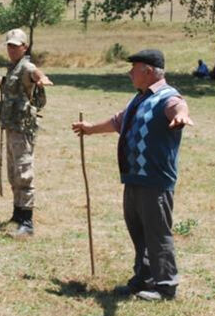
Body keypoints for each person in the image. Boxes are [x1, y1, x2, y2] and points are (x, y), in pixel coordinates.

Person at [73, 49, 193, 300]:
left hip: (155, 180)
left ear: (148, 71)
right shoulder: (139, 99)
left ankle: (166, 285)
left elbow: (178, 105)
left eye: (133, 68)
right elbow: (119, 121)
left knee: (157, 233)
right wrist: (90, 129)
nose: (129, 73)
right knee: (138, 230)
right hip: (134, 178)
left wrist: (182, 115)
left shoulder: (166, 96)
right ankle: (144, 278)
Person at [0, 29, 52, 235]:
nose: (11, 49)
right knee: (13, 172)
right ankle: (17, 211)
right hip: (12, 126)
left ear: (24, 47)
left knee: (24, 171)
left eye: (15, 46)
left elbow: (36, 74)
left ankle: (27, 221)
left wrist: (42, 79)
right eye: (9, 46)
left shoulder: (26, 66)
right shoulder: (13, 68)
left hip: (23, 129)